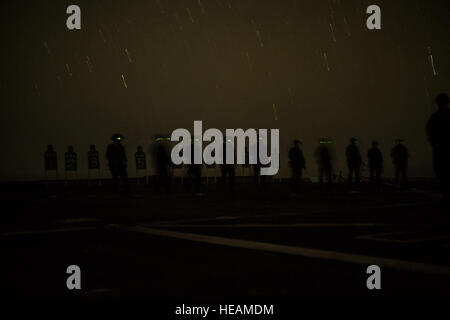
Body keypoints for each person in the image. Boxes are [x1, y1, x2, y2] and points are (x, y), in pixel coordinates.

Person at [426, 93, 450, 197]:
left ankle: (444, 191)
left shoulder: (435, 117)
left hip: (440, 147)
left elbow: (430, 131)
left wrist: (434, 142)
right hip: (444, 147)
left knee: (440, 170)